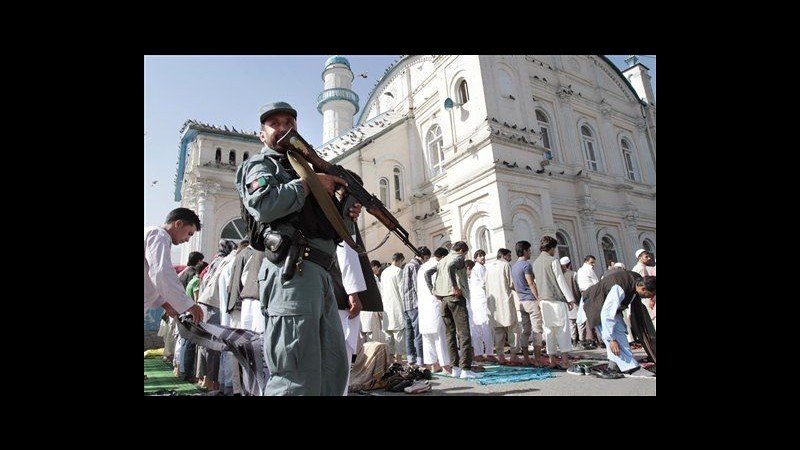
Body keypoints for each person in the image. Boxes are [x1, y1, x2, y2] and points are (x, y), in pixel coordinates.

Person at [236, 101, 362, 395]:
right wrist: (310, 183)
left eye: (289, 122)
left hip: (321, 273)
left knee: (333, 367)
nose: (283, 128)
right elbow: (266, 205)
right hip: (291, 272)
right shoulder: (260, 165)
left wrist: (346, 211)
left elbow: (333, 231)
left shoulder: (307, 167)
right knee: (295, 372)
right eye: (274, 124)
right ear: (262, 134)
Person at [582, 270, 656, 377]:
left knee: (620, 333)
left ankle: (613, 367)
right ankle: (631, 368)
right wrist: (611, 339)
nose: (650, 297)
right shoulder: (620, 287)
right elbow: (606, 314)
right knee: (615, 341)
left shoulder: (636, 281)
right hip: (596, 305)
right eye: (650, 294)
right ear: (643, 288)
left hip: (609, 307)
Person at [144, 207, 204, 323]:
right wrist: (188, 304)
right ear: (178, 223)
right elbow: (161, 272)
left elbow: (150, 278)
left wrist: (165, 303)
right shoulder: (159, 235)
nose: (187, 239)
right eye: (189, 233)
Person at [531, 236, 576, 369]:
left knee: (549, 330)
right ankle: (565, 360)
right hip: (556, 299)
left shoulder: (536, 263)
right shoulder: (553, 261)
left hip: (544, 301)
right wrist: (569, 298)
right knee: (562, 329)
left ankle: (552, 360)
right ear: (551, 248)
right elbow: (560, 280)